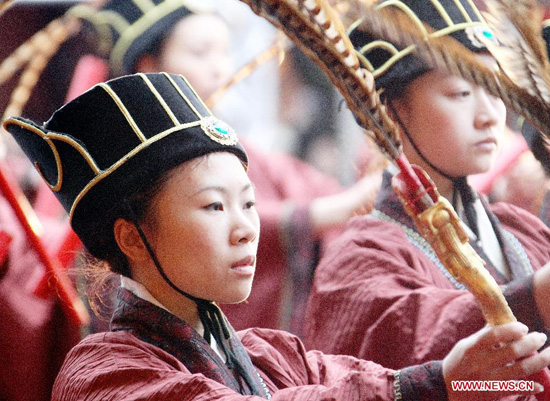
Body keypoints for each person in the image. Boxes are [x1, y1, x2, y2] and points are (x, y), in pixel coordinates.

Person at [4, 72, 550, 400]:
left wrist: (482, 382)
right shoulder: (104, 374)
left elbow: (409, 382)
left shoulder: (273, 355)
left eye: (248, 202)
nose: (246, 228)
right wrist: (429, 383)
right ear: (130, 235)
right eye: (215, 207)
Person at [70, 0, 382, 334]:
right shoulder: (133, 165)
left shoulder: (230, 143)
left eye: (224, 52)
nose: (220, 68)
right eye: (201, 53)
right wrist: (337, 209)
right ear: (149, 67)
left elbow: (303, 183)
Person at [304, 0, 550, 373]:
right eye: (460, 94)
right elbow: (428, 377)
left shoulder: (524, 231)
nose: (489, 116)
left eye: (495, 89)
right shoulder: (359, 260)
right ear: (389, 112)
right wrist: (536, 297)